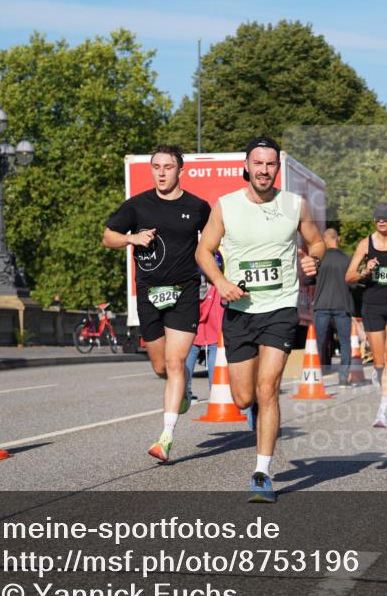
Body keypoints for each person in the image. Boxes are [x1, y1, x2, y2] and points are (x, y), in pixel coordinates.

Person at [195, 136, 324, 503]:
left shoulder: (294, 204)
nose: (264, 170)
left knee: (268, 389)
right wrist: (220, 281)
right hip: (239, 311)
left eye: (270, 164)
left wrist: (312, 258)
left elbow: (317, 242)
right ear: (247, 166)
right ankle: (259, 419)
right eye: (258, 163)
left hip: (280, 308)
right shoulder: (226, 207)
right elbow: (203, 251)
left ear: (276, 169)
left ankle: (262, 473)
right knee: (242, 398)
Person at [103, 144, 211, 462]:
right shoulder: (137, 206)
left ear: (181, 170)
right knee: (161, 366)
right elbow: (108, 236)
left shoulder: (198, 206)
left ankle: (165, 438)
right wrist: (130, 239)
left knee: (176, 363)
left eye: (168, 167)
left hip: (184, 291)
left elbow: (214, 238)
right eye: (156, 167)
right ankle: (182, 388)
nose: (161, 172)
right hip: (149, 293)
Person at [346, 203, 387, 428]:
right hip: (373, 304)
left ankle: (382, 411)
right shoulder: (365, 244)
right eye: (377, 219)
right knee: (379, 361)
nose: (381, 222)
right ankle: (378, 373)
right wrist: (365, 271)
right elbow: (349, 276)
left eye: (385, 218)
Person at [310, 228, 355, 387]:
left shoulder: (319, 260)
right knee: (344, 343)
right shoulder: (348, 259)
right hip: (342, 307)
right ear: (339, 239)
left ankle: (316, 379)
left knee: (318, 344)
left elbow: (309, 280)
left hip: (321, 306)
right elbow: (354, 284)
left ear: (324, 239)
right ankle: (343, 379)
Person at [185, 252, 225, 400]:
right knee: (215, 350)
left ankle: (184, 392)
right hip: (216, 324)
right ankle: (216, 392)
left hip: (193, 324)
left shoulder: (193, 282)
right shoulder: (220, 280)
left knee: (189, 352)